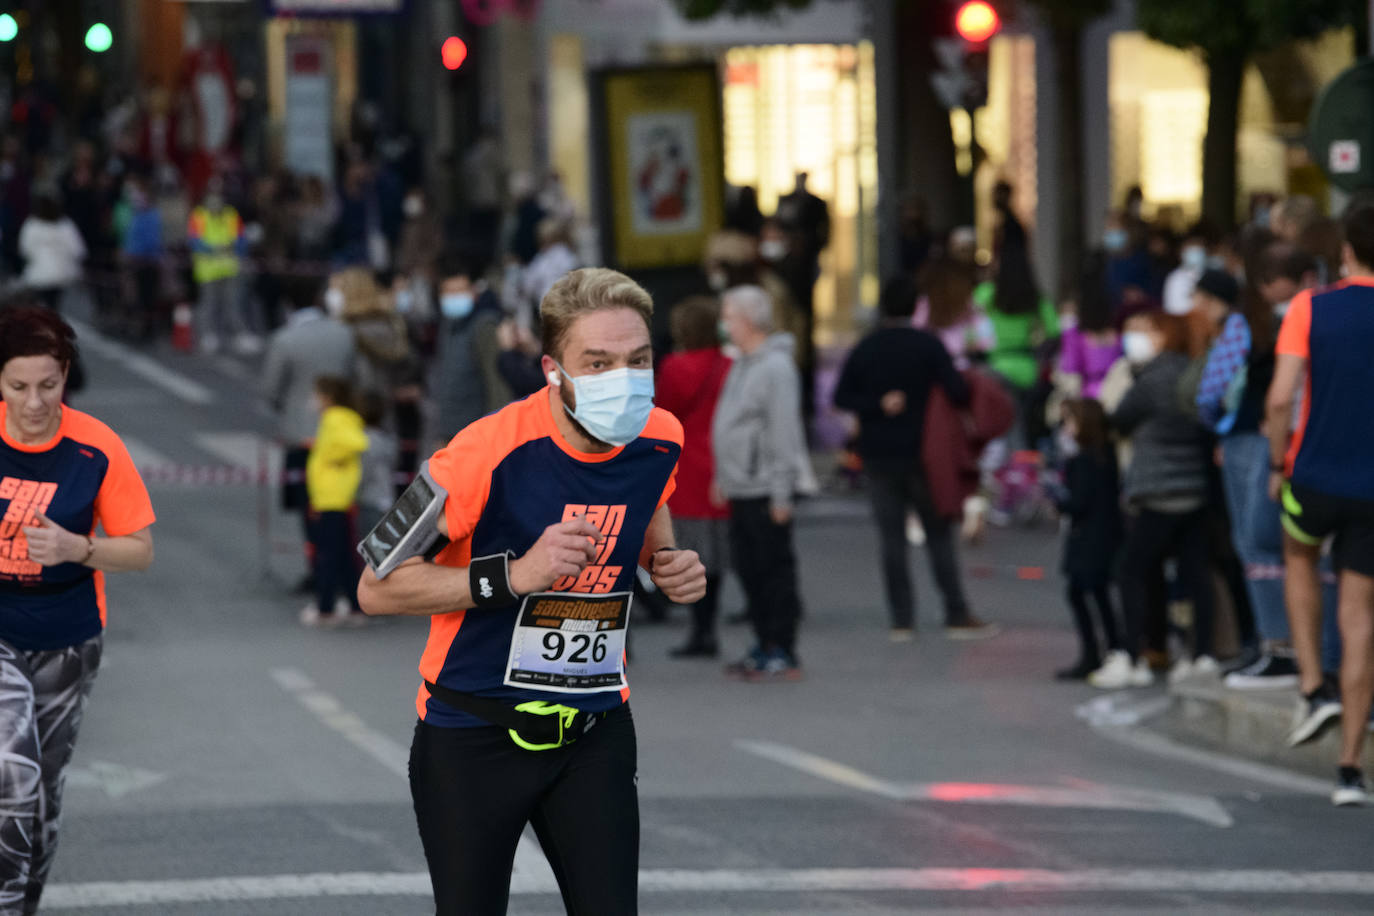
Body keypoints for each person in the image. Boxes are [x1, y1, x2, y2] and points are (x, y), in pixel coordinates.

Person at [357, 267, 705, 914]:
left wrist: (669, 564)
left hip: (594, 728)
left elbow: (654, 526)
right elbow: (376, 589)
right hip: (472, 733)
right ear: (553, 369)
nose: (622, 381)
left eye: (638, 361)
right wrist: (515, 575)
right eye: (597, 363)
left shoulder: (661, 436)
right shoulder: (479, 454)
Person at [0, 303, 155, 913]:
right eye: (18, 386)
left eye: (49, 384)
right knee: (12, 774)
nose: (35, 401)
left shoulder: (97, 447)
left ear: (66, 376)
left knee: (41, 798)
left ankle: (25, 899)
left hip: (67, 635)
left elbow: (140, 552)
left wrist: (79, 547)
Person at [1266, 203, 1374, 805]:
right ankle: (1351, 768)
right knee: (1360, 617)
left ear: (1346, 252)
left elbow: (1282, 398)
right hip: (1373, 486)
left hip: (1314, 472)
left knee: (1297, 556)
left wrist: (1278, 464)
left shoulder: (1312, 306)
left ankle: (1311, 684)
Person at [834, 276, 996, 640]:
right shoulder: (929, 345)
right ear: (915, 307)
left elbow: (843, 396)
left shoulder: (868, 347)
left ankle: (901, 620)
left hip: (878, 453)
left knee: (891, 538)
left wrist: (877, 405)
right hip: (926, 453)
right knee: (938, 534)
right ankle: (956, 613)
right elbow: (957, 391)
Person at [1091, 311, 1216, 689]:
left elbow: (1118, 418)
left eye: (1146, 331)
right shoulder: (1194, 372)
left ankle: (1132, 654)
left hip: (1158, 488)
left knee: (1131, 570)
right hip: (1195, 486)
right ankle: (1202, 654)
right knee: (1197, 574)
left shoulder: (1152, 377)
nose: (1136, 339)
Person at [713, 285, 814, 677]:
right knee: (750, 570)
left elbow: (782, 432)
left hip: (763, 486)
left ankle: (782, 647)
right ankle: (763, 642)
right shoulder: (743, 362)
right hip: (741, 485)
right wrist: (723, 476)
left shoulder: (775, 367)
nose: (724, 324)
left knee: (773, 571)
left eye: (729, 316)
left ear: (749, 320)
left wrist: (781, 491)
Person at [262, 279, 357, 592]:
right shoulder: (344, 335)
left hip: (301, 435)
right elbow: (355, 379)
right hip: (341, 433)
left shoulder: (285, 339)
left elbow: (271, 390)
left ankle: (319, 571)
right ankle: (343, 572)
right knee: (341, 510)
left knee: (308, 508)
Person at [656, 296, 733, 658]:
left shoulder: (674, 366)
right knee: (717, 553)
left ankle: (701, 632)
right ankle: (710, 626)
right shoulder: (729, 364)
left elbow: (661, 415)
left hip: (686, 468)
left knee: (693, 552)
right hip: (723, 464)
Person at [1051, 398, 1123, 680]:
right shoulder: (1106, 455)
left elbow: (1078, 502)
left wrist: (1058, 499)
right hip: (1105, 536)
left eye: (1069, 422)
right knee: (1100, 595)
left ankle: (1095, 653)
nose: (1065, 429)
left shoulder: (1083, 460)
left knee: (1082, 593)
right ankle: (1111, 650)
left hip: (1088, 539)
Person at [302, 376, 368, 627]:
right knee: (341, 556)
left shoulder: (334, 418)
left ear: (327, 397)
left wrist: (331, 455)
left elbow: (357, 443)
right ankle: (354, 604)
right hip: (334, 497)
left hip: (333, 498)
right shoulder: (339, 418)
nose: (314, 400)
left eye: (317, 395)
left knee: (328, 556)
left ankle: (326, 607)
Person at [431, 251, 510, 450]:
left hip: (479, 436)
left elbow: (496, 383)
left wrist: (494, 435)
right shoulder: (448, 326)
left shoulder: (484, 327)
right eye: (448, 292)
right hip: (452, 434)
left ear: (474, 291)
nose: (454, 297)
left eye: (460, 290)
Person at [187, 178, 252, 355]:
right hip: (208, 269)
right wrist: (212, 249)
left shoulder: (231, 214)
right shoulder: (198, 215)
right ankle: (209, 336)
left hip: (230, 266)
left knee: (233, 303)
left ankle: (239, 335)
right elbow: (194, 241)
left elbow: (241, 238)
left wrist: (234, 248)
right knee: (209, 303)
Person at [913, 256, 995, 370]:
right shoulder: (969, 306)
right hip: (963, 370)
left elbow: (915, 337)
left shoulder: (923, 306)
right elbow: (987, 341)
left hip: (932, 372)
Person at [18, 194, 86, 313]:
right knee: (55, 304)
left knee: (43, 305)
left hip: (39, 274)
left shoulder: (32, 224)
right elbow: (78, 250)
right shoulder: (65, 224)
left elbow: (25, 249)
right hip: (62, 273)